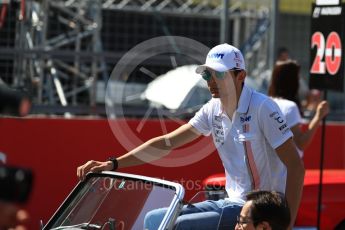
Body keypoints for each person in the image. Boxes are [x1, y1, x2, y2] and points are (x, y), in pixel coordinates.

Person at [77, 44, 304, 229]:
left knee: (181, 226)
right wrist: (112, 163)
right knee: (153, 220)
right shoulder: (212, 108)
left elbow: (296, 166)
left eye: (219, 74)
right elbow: (166, 143)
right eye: (207, 74)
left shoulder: (263, 107)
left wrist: (287, 224)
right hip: (232, 202)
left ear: (240, 76)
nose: (211, 81)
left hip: (259, 209)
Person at [268, 60, 329, 157]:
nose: (299, 80)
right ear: (292, 81)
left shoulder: (267, 102)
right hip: (287, 170)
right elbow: (301, 143)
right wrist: (318, 116)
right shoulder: (290, 107)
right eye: (297, 77)